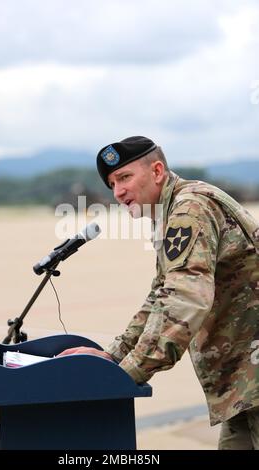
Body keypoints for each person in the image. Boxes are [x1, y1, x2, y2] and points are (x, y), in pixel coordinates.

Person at [58, 136, 259, 450]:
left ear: (157, 171)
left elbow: (185, 300)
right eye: (112, 183)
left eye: (125, 177)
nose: (118, 191)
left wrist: (127, 373)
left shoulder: (189, 208)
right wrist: (112, 357)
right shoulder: (171, 212)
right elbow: (160, 296)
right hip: (244, 379)